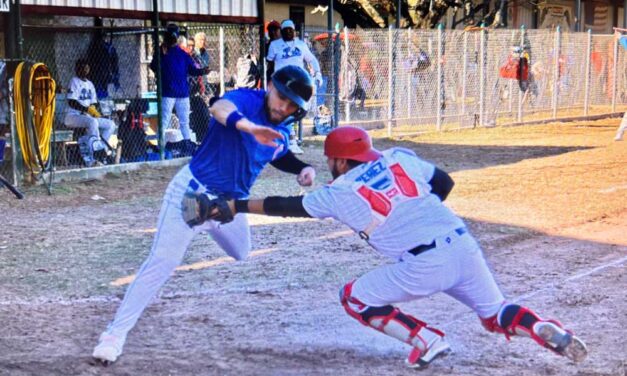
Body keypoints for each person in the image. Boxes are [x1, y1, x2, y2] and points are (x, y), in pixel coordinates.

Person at [197, 126, 589, 369]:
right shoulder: (398, 158)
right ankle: (538, 327)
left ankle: (426, 340)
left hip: (423, 262)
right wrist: (417, 211)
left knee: (354, 298)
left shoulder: (340, 190)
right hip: (461, 242)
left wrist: (234, 205)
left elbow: (287, 207)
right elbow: (445, 183)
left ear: (337, 160)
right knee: (495, 313)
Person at [91, 65, 317, 364]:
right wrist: (249, 127)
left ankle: (209, 224)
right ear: (270, 88)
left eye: (291, 105)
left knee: (241, 252)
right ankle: (113, 336)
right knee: (163, 262)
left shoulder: (282, 126)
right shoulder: (248, 101)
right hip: (192, 194)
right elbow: (219, 108)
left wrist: (302, 168)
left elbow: (278, 153)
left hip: (228, 206)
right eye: (280, 97)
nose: (283, 106)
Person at [149, 23, 209, 157]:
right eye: (171, 35)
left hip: (182, 92)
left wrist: (202, 71)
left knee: (184, 121)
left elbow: (192, 70)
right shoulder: (162, 51)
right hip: (168, 92)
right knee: (164, 120)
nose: (173, 38)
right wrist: (161, 54)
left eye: (174, 35)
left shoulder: (183, 53)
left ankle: (187, 143)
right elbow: (154, 67)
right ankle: (160, 145)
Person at [267, 19, 323, 154]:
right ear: (281, 31)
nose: (288, 32)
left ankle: (285, 137)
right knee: (286, 109)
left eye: (290, 30)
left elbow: (312, 59)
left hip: (298, 82)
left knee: (298, 110)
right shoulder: (275, 45)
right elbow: (268, 63)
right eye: (285, 30)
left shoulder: (301, 45)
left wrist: (318, 73)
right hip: (281, 82)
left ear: (294, 31)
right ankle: (290, 140)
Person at [64, 59, 117, 167]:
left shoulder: (90, 84)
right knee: (93, 122)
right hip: (73, 116)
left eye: (86, 68)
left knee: (110, 124)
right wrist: (86, 109)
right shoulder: (74, 81)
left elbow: (94, 103)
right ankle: (94, 158)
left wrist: (94, 110)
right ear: (77, 69)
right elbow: (71, 102)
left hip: (87, 117)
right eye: (82, 67)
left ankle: (100, 150)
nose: (84, 70)